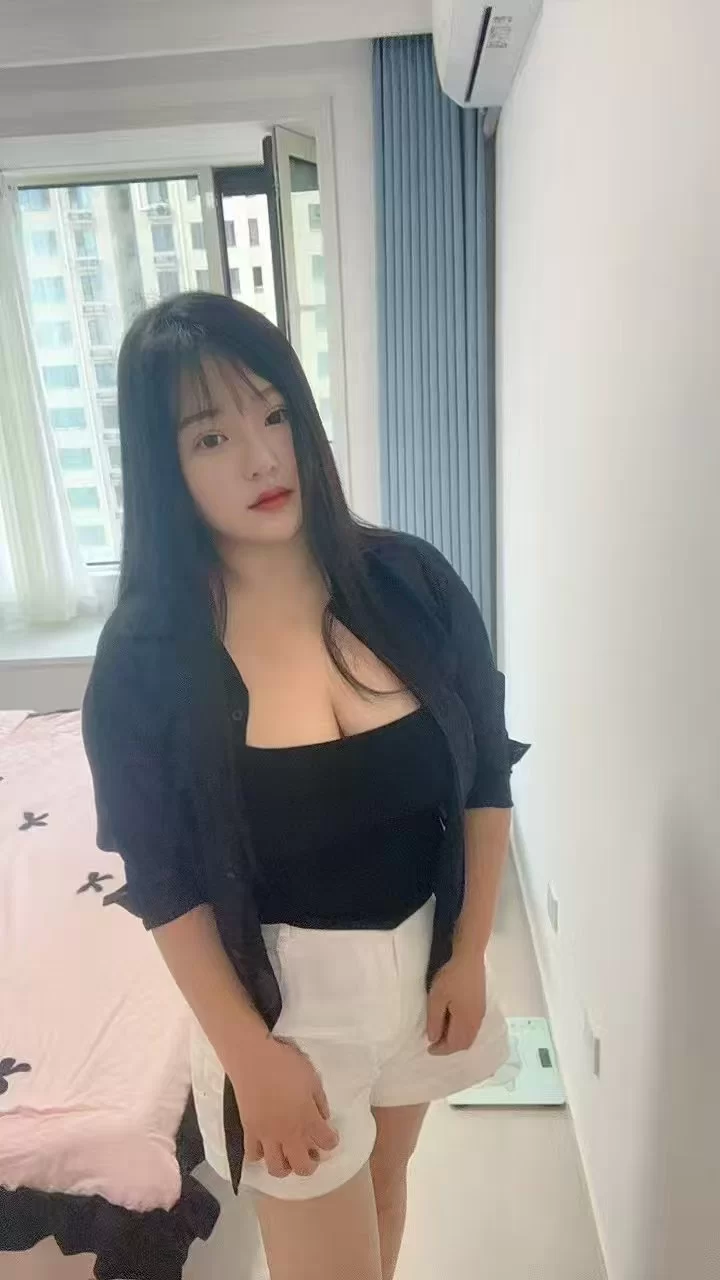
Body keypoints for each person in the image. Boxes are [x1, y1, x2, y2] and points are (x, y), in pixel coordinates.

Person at [82, 292, 527, 1280]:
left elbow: (486, 776)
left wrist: (467, 952)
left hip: (425, 967)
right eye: (211, 436)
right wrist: (249, 1055)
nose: (260, 458)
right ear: (164, 466)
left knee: (386, 1189)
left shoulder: (411, 580)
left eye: (274, 413)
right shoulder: (147, 659)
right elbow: (166, 883)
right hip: (286, 1006)